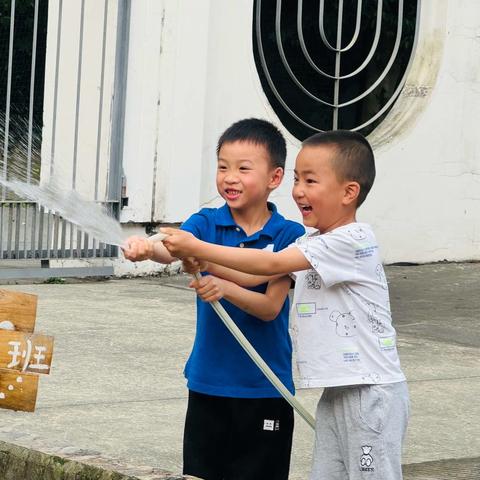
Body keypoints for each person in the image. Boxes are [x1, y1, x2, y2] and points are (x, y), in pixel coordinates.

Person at [162, 130, 410, 480]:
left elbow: (268, 266)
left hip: (371, 394)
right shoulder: (311, 240)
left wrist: (197, 248)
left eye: (310, 180)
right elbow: (252, 278)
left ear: (348, 192)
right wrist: (200, 263)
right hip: (338, 390)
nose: (298, 190)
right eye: (297, 179)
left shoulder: (352, 240)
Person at [123, 118, 305, 480]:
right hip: (208, 383)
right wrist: (146, 248)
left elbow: (270, 308)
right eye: (222, 167)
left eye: (243, 168)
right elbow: (173, 247)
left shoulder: (289, 234)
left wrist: (224, 288)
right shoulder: (206, 222)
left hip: (264, 388)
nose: (229, 177)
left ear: (275, 177)